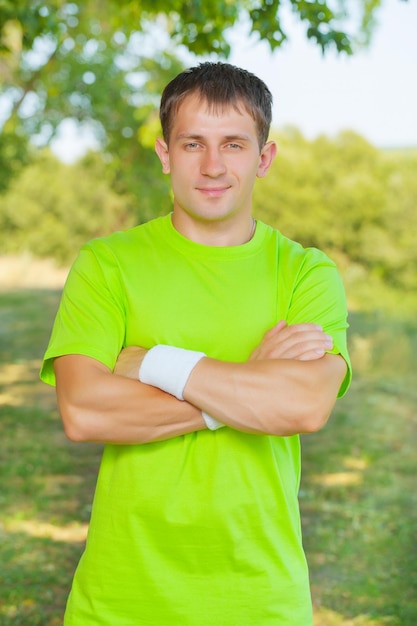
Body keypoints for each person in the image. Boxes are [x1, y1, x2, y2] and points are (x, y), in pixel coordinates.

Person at [40, 61, 351, 626]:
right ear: (164, 154)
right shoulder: (106, 265)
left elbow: (303, 404)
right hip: (121, 602)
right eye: (192, 144)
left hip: (260, 602)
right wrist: (245, 386)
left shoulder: (306, 273)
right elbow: (84, 410)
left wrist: (156, 363)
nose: (212, 166)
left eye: (233, 144)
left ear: (264, 158)